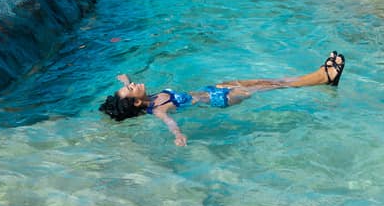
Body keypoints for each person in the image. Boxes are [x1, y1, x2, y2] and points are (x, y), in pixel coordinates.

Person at [99, 50, 346, 146]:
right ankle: (324, 76)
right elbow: (170, 123)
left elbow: (131, 93)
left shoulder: (148, 98)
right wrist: (178, 135)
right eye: (131, 88)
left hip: (213, 88)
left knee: (268, 80)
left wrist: (123, 82)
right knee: (272, 86)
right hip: (221, 100)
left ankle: (322, 76)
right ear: (137, 102)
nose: (132, 84)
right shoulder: (158, 109)